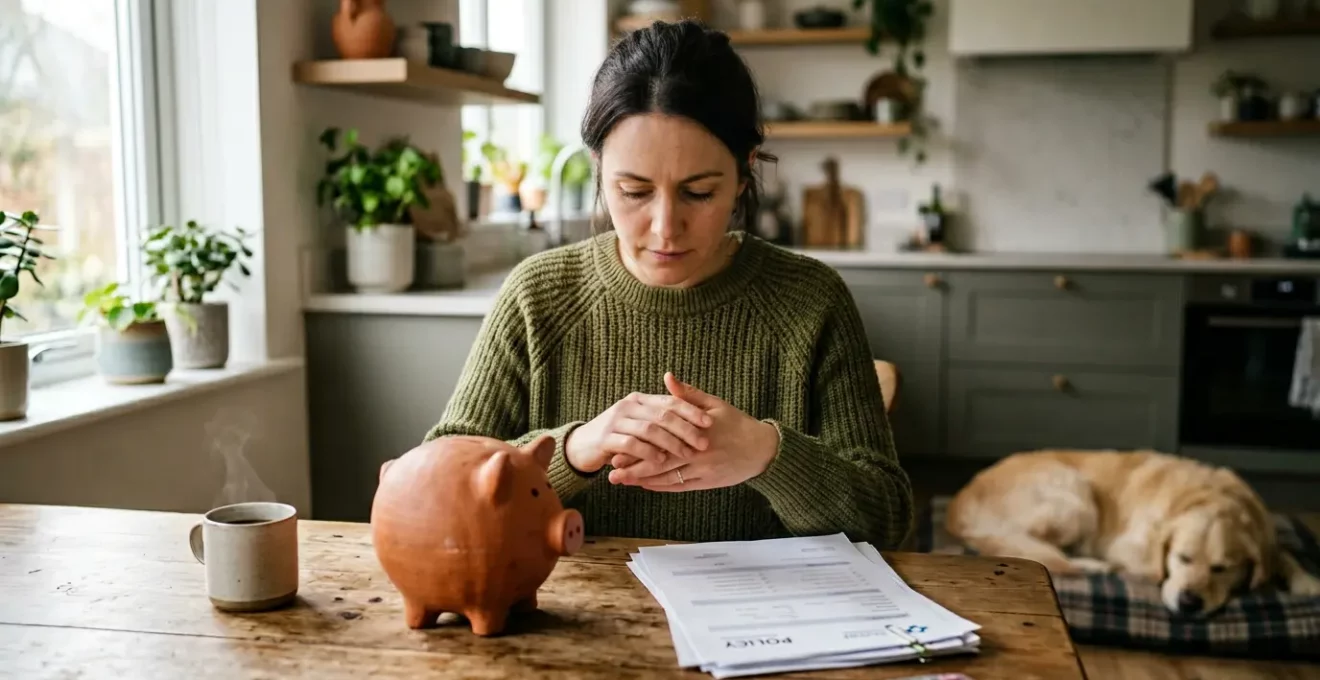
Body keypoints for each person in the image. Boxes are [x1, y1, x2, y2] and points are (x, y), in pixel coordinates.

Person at [424, 20, 913, 549]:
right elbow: (440, 485)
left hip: (758, 623)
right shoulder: (537, 297)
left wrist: (769, 454)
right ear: (598, 169)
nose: (664, 227)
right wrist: (572, 451)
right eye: (633, 191)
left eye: (699, 193)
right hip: (571, 622)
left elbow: (885, 518)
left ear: (745, 174)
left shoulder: (811, 300)